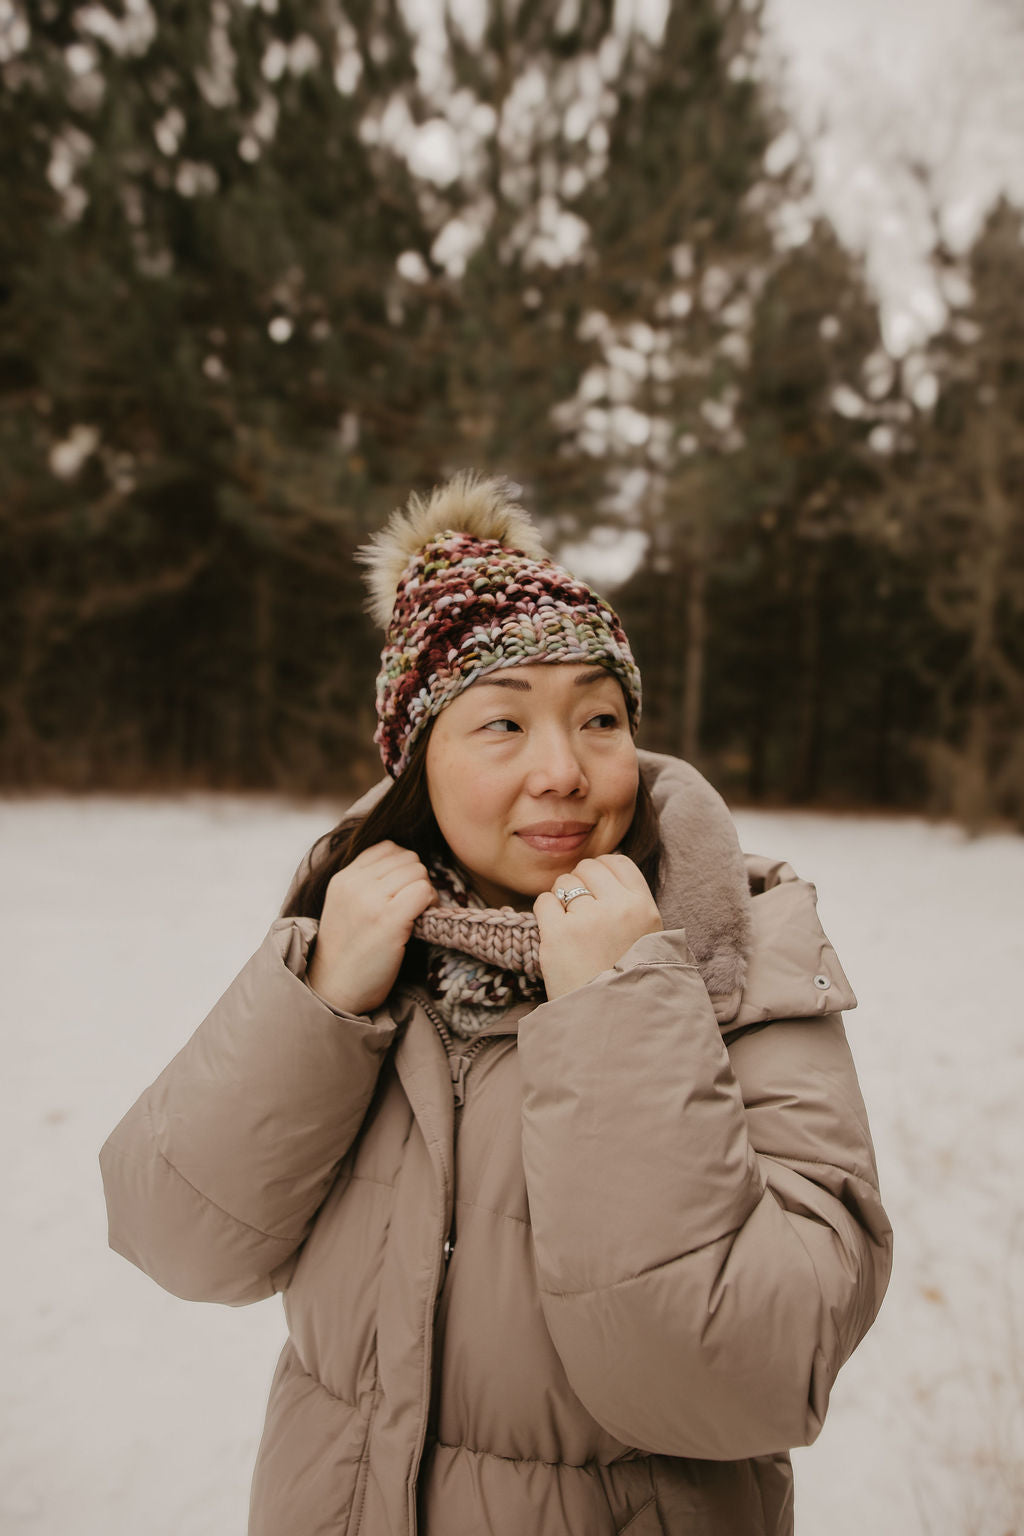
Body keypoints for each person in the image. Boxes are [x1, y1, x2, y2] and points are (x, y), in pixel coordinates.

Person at [100, 472, 892, 1536]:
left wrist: (621, 1007)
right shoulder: (358, 950)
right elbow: (178, 1241)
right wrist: (324, 1001)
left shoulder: (739, 954)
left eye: (598, 718)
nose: (563, 771)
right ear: (418, 762)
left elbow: (749, 1375)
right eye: (503, 724)